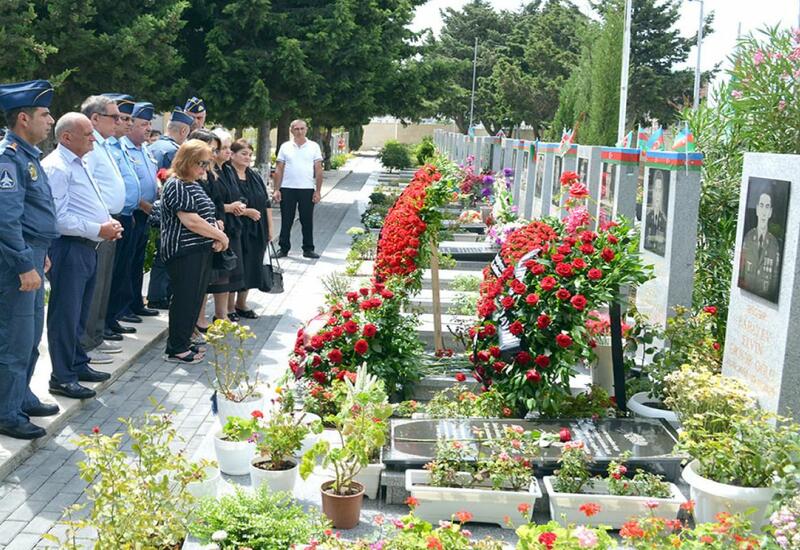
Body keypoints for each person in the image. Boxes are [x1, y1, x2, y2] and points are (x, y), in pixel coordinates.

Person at [42, 113, 123, 402]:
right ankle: (62, 377)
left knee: (79, 313)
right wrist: (98, 228)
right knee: (66, 314)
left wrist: (107, 222)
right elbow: (57, 218)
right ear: (66, 137)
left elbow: (87, 202)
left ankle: (76, 363)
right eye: (88, 133)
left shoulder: (79, 161)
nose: (93, 139)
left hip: (87, 247)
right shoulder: (57, 167)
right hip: (69, 248)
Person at [0, 79, 61, 439]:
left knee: (31, 334)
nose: (51, 120)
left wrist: (41, 254)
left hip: (34, 253)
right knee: (15, 338)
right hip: (16, 261)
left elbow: (31, 213)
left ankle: (20, 396)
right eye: (44, 114)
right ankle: (6, 412)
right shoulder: (8, 159)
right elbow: (6, 220)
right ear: (23, 118)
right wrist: (25, 264)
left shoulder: (27, 156)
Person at [159, 139, 228, 363]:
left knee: (194, 298)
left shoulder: (192, 183)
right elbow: (191, 221)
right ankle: (176, 348)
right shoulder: (177, 184)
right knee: (184, 299)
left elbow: (205, 215)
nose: (205, 168)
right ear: (186, 161)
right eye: (201, 163)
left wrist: (215, 233)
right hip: (183, 251)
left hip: (199, 250)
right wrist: (220, 236)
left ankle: (184, 340)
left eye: (208, 163)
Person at [80, 96, 127, 356]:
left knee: (104, 283)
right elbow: (87, 188)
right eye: (114, 116)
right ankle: (87, 343)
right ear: (95, 118)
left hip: (109, 222)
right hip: (98, 225)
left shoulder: (104, 145)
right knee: (94, 287)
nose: (119, 121)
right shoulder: (89, 146)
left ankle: (96, 336)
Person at [104, 94, 144, 337]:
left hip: (127, 215)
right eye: (122, 118)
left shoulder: (119, 146)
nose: (127, 123)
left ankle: (113, 317)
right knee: (110, 274)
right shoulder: (106, 146)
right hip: (112, 217)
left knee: (121, 271)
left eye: (129, 119)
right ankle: (105, 321)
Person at [146, 108, 193, 310]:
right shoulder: (174, 151)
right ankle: (159, 295)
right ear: (183, 131)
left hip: (150, 209)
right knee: (166, 254)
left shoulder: (154, 146)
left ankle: (156, 294)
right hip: (168, 211)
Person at [122, 102, 159, 319]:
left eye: (149, 124)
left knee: (137, 261)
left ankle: (136, 302)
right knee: (126, 263)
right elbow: (126, 185)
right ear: (131, 125)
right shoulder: (123, 148)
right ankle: (123, 307)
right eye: (144, 124)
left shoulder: (144, 149)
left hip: (146, 214)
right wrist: (144, 205)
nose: (148, 128)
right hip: (134, 212)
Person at [229, 139, 271, 318]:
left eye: (250, 155)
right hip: (236, 228)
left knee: (252, 265)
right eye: (243, 154)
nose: (247, 157)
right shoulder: (227, 175)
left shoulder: (254, 176)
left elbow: (266, 203)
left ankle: (241, 303)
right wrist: (246, 212)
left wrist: (270, 228)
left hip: (257, 227)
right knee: (235, 267)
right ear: (232, 154)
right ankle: (229, 308)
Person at [209, 129, 246, 322]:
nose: (228, 151)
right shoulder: (211, 172)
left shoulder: (228, 169)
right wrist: (229, 207)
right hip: (218, 225)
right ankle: (219, 314)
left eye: (229, 148)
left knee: (230, 272)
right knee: (220, 274)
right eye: (223, 148)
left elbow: (235, 193)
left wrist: (239, 205)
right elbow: (210, 202)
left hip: (233, 224)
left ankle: (224, 313)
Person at [273, 119, 322, 259]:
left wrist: (318, 191)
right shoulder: (285, 146)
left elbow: (318, 169)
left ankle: (308, 249)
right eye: (296, 129)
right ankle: (283, 248)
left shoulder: (314, 146)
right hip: (287, 188)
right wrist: (276, 189)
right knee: (286, 220)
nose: (299, 131)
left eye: (302, 128)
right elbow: (279, 168)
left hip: (307, 189)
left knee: (307, 220)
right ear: (291, 130)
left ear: (306, 129)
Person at [739, 190, 782, 301]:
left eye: (767, 207)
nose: (764, 212)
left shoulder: (774, 244)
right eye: (761, 205)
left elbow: (774, 279)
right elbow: (741, 271)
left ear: (770, 212)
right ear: (757, 209)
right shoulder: (748, 238)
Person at [644, 171, 668, 257]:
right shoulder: (648, 216)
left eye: (660, 190)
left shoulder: (664, 219)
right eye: (656, 190)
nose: (658, 195)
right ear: (653, 192)